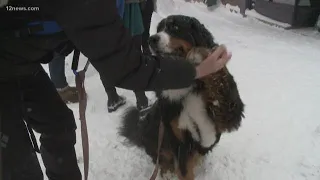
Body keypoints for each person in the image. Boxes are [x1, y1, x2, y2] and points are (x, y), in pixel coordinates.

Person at [0, 0, 232, 180]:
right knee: (15, 159)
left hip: (16, 60)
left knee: (58, 124)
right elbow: (126, 67)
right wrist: (196, 71)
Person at [101, 0, 149, 113]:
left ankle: (113, 98)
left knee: (105, 59)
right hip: (128, 17)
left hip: (104, 21)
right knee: (135, 58)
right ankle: (142, 100)